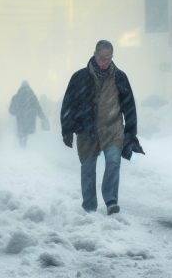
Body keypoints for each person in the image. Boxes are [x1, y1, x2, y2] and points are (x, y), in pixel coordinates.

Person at [60, 40, 143, 215]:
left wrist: (131, 132)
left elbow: (129, 106)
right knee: (88, 168)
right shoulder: (79, 77)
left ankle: (111, 200)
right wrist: (67, 128)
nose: (105, 61)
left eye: (109, 57)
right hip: (86, 129)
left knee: (113, 161)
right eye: (102, 57)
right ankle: (89, 206)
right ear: (95, 54)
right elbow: (68, 103)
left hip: (112, 128)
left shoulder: (119, 77)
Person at [9, 81, 47, 147]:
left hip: (20, 122)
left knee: (21, 136)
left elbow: (11, 111)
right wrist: (43, 117)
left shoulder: (16, 97)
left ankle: (20, 151)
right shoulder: (33, 97)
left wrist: (17, 111)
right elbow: (38, 108)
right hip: (30, 122)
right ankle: (27, 153)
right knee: (28, 140)